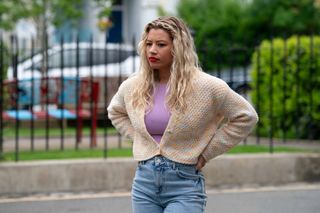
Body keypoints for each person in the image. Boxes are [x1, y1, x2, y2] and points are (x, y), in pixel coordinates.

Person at [107, 16, 258, 213]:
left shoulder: (207, 86)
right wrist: (141, 139)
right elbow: (115, 112)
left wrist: (207, 152)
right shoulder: (133, 85)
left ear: (177, 47)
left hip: (184, 185)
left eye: (161, 44)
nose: (152, 50)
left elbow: (246, 116)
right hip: (144, 184)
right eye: (148, 43)